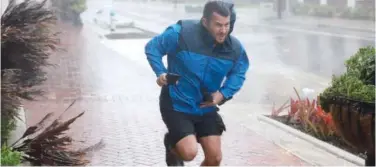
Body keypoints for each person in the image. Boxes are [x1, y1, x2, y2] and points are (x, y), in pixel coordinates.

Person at [144, 0, 249, 166]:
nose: (223, 31)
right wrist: (160, 72)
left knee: (215, 158)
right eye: (218, 25)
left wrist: (223, 94)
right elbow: (153, 47)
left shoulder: (234, 48)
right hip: (177, 103)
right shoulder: (181, 34)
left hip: (204, 106)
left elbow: (239, 71)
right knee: (189, 153)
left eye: (227, 25)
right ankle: (172, 146)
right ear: (205, 21)